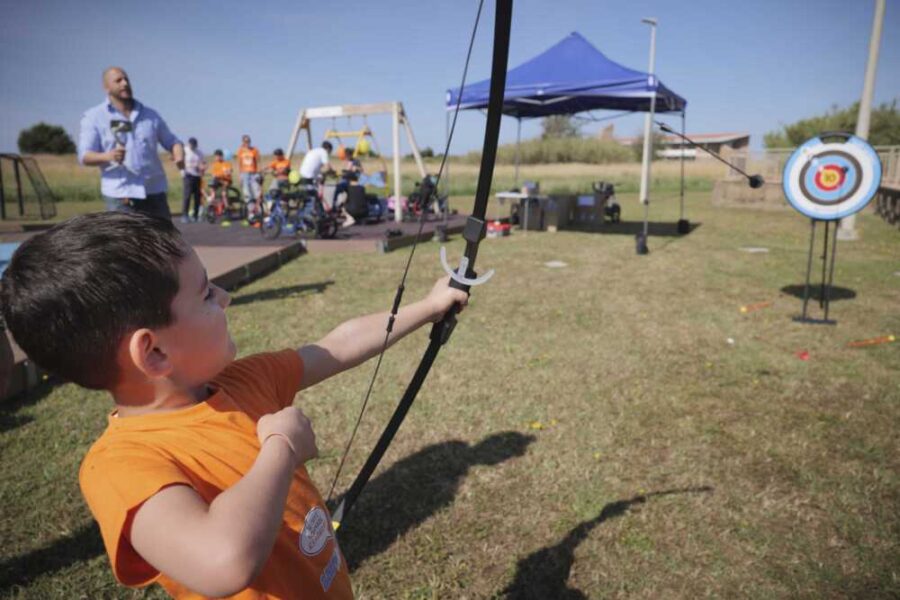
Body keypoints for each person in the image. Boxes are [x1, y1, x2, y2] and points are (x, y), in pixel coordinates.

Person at [0, 211, 468, 599]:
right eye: (206, 293)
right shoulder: (120, 466)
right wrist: (282, 448)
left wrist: (429, 306)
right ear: (154, 352)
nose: (225, 297)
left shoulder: (245, 380)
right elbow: (223, 562)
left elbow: (337, 346)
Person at [78, 67, 184, 219]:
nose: (125, 83)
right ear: (106, 87)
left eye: (126, 79)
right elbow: (84, 156)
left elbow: (172, 141)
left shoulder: (150, 115)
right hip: (120, 196)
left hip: (154, 192)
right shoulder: (94, 117)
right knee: (126, 236)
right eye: (118, 80)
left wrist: (178, 152)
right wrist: (108, 156)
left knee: (163, 235)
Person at [181, 138, 206, 223]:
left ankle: (195, 215)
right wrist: (182, 171)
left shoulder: (199, 152)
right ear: (189, 144)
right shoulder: (185, 151)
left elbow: (203, 163)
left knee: (197, 197)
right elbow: (178, 160)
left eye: (194, 145)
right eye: (191, 144)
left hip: (197, 176)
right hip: (188, 175)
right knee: (187, 196)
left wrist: (202, 168)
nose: (192, 146)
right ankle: (185, 215)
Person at [236, 135, 262, 213]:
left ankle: (259, 210)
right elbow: (239, 164)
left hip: (253, 173)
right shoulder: (240, 151)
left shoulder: (254, 150)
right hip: (244, 174)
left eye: (248, 141)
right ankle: (251, 211)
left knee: (256, 192)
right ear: (243, 142)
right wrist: (239, 176)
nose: (247, 143)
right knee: (247, 193)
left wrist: (259, 173)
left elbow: (258, 161)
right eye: (245, 141)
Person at [205, 149, 234, 217]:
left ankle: (227, 209)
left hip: (226, 181)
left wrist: (225, 173)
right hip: (218, 180)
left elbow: (229, 172)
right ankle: (212, 204)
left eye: (218, 156)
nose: (217, 158)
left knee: (224, 194)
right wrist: (216, 175)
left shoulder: (227, 163)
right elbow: (214, 174)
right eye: (216, 156)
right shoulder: (215, 164)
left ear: (221, 156)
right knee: (212, 188)